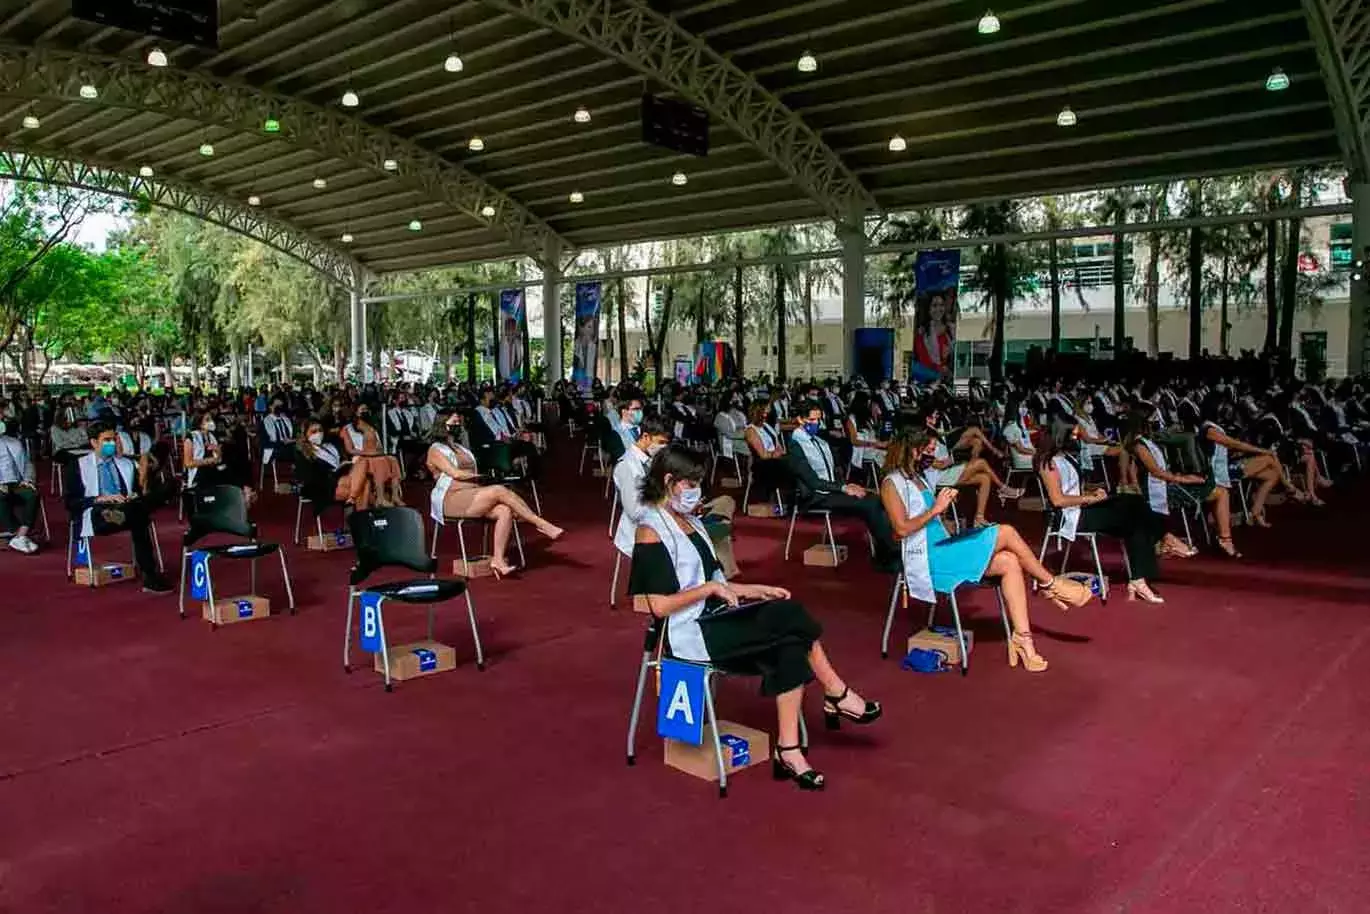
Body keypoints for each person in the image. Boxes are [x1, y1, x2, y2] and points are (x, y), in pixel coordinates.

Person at [629, 445, 881, 791]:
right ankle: (836, 692)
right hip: (692, 635)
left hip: (719, 619)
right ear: (669, 481)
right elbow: (656, 606)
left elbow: (717, 582)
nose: (697, 491)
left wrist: (755, 589)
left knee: (790, 646)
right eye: (691, 484)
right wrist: (709, 592)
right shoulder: (650, 530)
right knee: (790, 615)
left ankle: (788, 751)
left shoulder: (691, 522)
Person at [879, 426, 1093, 673]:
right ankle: (1049, 584)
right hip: (928, 559)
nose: (932, 455)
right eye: (927, 450)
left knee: (1010, 561)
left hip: (945, 547)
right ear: (911, 449)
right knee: (1006, 532)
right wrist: (936, 509)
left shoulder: (921, 477)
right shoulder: (891, 483)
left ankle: (1024, 640)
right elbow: (901, 530)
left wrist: (944, 506)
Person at [1035, 423, 1168, 603]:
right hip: (1068, 517)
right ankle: (1150, 559)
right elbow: (1058, 500)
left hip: (1081, 507)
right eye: (1073, 433)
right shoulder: (1047, 462)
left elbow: (1075, 489)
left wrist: (1095, 493)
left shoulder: (1066, 457)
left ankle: (1140, 576)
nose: (1077, 436)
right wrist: (1089, 499)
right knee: (1134, 515)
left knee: (1133, 505)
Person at [426, 411, 562, 578]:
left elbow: (472, 470)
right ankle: (540, 523)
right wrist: (484, 477)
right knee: (498, 489)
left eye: (458, 423)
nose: (457, 426)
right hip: (451, 498)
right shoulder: (435, 450)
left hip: (471, 494)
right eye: (453, 423)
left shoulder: (461, 448)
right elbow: (456, 474)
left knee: (504, 510)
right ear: (442, 425)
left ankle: (498, 560)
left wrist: (481, 478)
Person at [785, 401, 900, 572]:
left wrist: (847, 485)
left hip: (829, 491)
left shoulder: (818, 441)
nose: (816, 423)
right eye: (812, 420)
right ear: (800, 420)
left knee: (874, 498)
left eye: (818, 419)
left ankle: (886, 553)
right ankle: (892, 554)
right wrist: (844, 488)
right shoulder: (796, 445)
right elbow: (813, 482)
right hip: (814, 497)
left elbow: (831, 472)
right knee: (868, 503)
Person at [64, 422, 172, 592]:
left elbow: (135, 491)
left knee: (148, 502)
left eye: (114, 439)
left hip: (125, 507)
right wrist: (100, 498)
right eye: (107, 440)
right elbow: (71, 503)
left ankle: (124, 513)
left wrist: (135, 493)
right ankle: (150, 576)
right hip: (96, 512)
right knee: (140, 516)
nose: (112, 443)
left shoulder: (126, 464)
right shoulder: (78, 466)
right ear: (94, 442)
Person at [1123, 410, 1239, 558]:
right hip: (1159, 491)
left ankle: (1224, 538)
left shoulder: (1149, 441)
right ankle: (1224, 540)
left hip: (1166, 484)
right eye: (1153, 418)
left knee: (1220, 491)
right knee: (1220, 492)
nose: (1157, 421)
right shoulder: (1139, 445)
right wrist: (1186, 479)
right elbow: (1156, 472)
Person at [1194, 394, 1306, 528]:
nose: (1226, 409)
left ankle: (1255, 512)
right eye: (1222, 405)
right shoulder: (1209, 429)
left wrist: (1239, 452)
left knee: (1272, 475)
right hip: (1217, 473)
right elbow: (1235, 444)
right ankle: (1289, 488)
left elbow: (1230, 449)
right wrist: (1263, 451)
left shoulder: (1216, 426)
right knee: (1269, 458)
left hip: (1227, 464)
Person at [612, 417, 671, 559]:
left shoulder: (653, 460)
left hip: (662, 520)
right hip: (642, 531)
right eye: (660, 443)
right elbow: (634, 512)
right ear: (645, 436)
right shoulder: (627, 466)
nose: (663, 448)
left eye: (666, 444)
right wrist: (665, 502)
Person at [340, 403, 403, 508]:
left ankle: (395, 496)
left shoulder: (372, 427)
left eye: (366, 409)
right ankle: (380, 498)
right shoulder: (348, 429)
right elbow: (350, 450)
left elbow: (379, 446)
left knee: (393, 459)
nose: (365, 411)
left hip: (375, 455)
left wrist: (378, 452)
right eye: (362, 409)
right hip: (360, 457)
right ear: (356, 412)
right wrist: (367, 453)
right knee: (379, 462)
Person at [0, 419, 40, 553]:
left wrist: (28, 480)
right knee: (1, 495)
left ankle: (21, 535)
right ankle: (16, 533)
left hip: (16, 483)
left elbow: (28, 464)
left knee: (32, 494)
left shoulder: (14, 442)